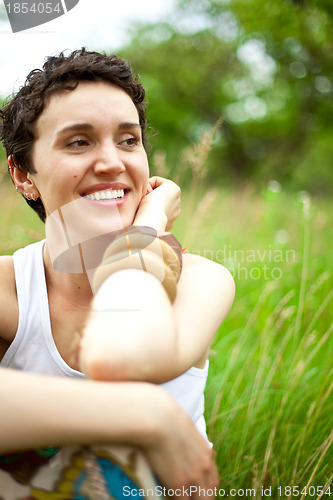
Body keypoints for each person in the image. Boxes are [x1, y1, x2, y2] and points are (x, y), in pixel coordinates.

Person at [0, 48, 235, 498]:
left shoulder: (200, 282)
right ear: (23, 174)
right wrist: (146, 415)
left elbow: (120, 353)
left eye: (128, 141)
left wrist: (147, 229)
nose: (112, 162)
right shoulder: (9, 289)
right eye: (79, 142)